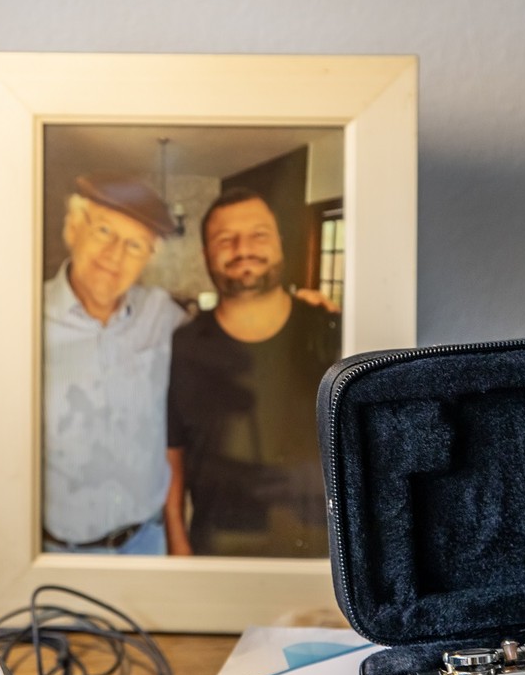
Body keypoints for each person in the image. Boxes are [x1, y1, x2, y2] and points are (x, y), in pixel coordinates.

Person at [165, 188, 341, 557]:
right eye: (225, 239)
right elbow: (172, 457)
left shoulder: (332, 333)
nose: (243, 248)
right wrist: (179, 548)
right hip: (219, 553)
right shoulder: (181, 347)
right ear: (206, 255)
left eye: (258, 234)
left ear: (279, 243)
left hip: (323, 557)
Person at [42, 173, 187, 554]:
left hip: (147, 542)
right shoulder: (25, 318)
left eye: (135, 244)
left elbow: (219, 336)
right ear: (74, 227)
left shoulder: (161, 314)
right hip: (59, 551)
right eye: (104, 230)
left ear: (147, 258)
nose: (115, 254)